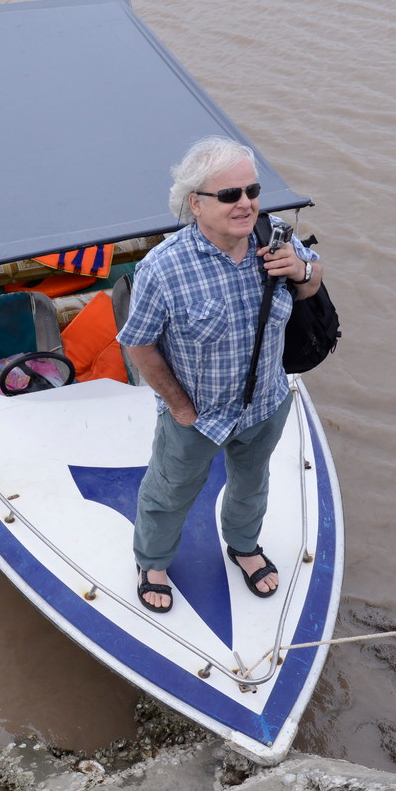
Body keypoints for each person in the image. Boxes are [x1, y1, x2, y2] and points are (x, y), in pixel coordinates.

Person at [117, 137, 323, 613]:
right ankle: (151, 562)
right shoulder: (163, 269)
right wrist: (180, 406)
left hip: (266, 405)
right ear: (196, 203)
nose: (246, 203)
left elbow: (313, 281)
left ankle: (244, 547)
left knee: (252, 484)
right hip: (197, 417)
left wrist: (301, 270)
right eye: (230, 195)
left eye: (251, 190)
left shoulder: (275, 242)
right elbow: (138, 343)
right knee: (169, 492)